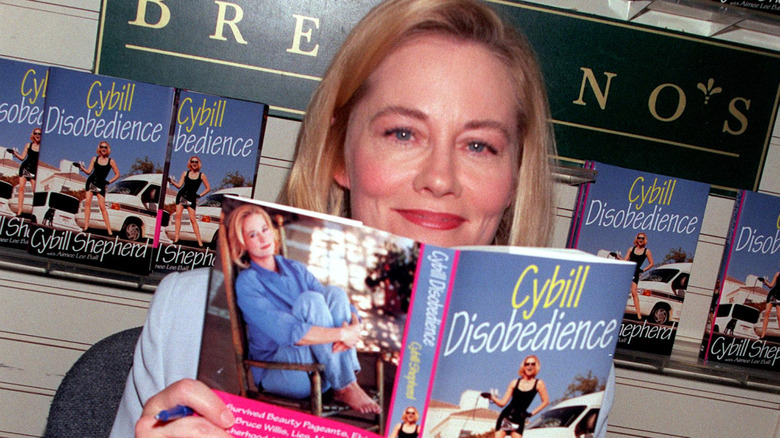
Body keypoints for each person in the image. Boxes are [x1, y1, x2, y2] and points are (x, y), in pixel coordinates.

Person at [112, 0, 613, 436]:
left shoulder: (573, 355)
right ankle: (349, 386)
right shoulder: (183, 317)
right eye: (402, 134)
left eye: (479, 145)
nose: (440, 179)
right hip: (285, 370)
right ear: (338, 152)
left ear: (515, 175)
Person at [228, 203, 378, 412]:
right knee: (311, 301)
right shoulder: (248, 282)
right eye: (253, 235)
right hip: (285, 374)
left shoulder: (294, 268)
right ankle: (345, 385)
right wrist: (343, 333)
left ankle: (345, 383)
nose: (263, 238)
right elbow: (289, 332)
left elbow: (334, 303)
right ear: (242, 243)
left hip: (321, 370)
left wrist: (355, 326)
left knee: (334, 293)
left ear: (272, 232)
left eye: (264, 229)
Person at [482, 355, 549, 438]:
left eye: (533, 364)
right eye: (527, 364)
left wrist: (531, 414)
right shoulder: (514, 382)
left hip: (520, 418)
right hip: (506, 416)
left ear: (536, 367)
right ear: (523, 366)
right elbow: (502, 403)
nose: (530, 366)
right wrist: (491, 397)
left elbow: (546, 401)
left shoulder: (539, 383)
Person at [76, 141, 120, 234]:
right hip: (91, 182)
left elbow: (117, 174)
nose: (103, 149)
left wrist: (108, 182)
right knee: (88, 203)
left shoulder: (111, 161)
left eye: (105, 147)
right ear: (99, 148)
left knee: (102, 206)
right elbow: (88, 172)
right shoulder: (94, 159)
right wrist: (81, 168)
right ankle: (86, 226)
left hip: (101, 184)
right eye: (102, 147)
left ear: (108, 149)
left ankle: (109, 231)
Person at [169, 156, 210, 246]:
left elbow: (208, 188)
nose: (194, 163)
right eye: (192, 162)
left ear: (198, 163)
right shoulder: (185, 173)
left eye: (196, 162)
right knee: (178, 216)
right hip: (182, 196)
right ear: (190, 163)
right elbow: (179, 185)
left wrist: (199, 195)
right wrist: (172, 182)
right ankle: (176, 239)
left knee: (192, 219)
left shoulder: (202, 175)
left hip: (191, 198)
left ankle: (200, 242)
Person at [8, 128, 41, 216]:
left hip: (34, 170)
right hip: (25, 168)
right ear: (33, 135)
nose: (37, 135)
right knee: (21, 188)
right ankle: (19, 211)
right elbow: (22, 157)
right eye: (36, 133)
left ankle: (36, 213)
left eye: (39, 134)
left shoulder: (42, 147)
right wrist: (15, 153)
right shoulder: (28, 145)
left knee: (35, 190)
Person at [623, 232, 654, 320]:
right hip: (627, 271)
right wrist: (618, 258)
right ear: (636, 239)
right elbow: (625, 260)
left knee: (634, 293)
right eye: (639, 238)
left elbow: (651, 263)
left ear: (645, 240)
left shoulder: (647, 251)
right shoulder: (631, 249)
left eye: (642, 238)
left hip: (635, 272)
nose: (640, 239)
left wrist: (642, 270)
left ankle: (639, 315)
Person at [758, 270, 780, 339]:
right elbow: (771, 285)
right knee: (767, 313)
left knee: (779, 317)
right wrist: (764, 281)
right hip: (772, 294)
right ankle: (763, 335)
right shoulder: (778, 274)